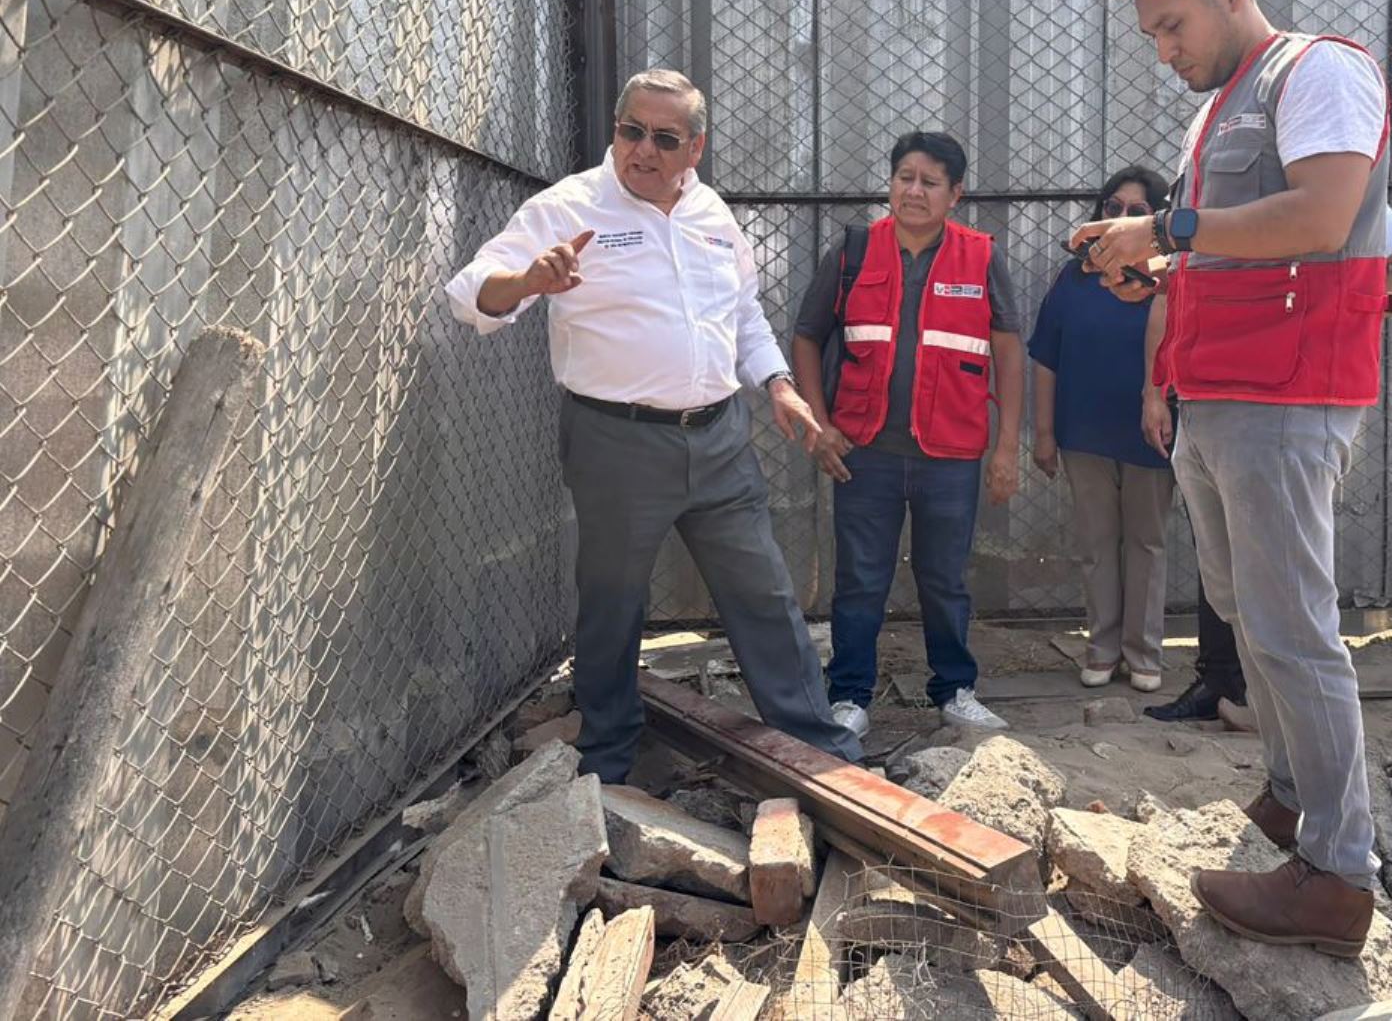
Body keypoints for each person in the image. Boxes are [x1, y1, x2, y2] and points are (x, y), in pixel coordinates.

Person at [1076, 0, 1392, 955]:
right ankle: (1296, 798)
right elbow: (1239, 246)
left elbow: (1323, 217)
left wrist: (1168, 231)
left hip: (1287, 396)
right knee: (1243, 611)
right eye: (1153, 37)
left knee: (1293, 626)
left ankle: (1339, 877)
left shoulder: (1318, 71)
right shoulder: (1218, 112)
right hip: (1220, 392)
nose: (1164, 51)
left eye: (1172, 27)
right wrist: (1160, 269)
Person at [444, 69, 860, 781]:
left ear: (694, 148)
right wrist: (527, 283)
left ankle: (816, 746)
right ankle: (609, 755)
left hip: (720, 438)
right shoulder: (569, 207)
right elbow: (468, 295)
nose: (643, 149)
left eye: (664, 138)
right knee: (614, 599)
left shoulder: (712, 215)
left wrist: (780, 388)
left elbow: (743, 315)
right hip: (618, 442)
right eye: (631, 130)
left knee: (762, 590)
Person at [1143, 208, 1392, 725]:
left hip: (1283, 408)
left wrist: (1334, 323)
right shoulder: (1219, 201)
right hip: (1211, 400)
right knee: (1232, 586)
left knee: (1288, 601)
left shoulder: (1334, 191)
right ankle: (1242, 698)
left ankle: (1314, 771)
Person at [791, 132, 1024, 738]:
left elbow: (1007, 350)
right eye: (904, 177)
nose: (913, 190)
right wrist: (818, 423)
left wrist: (1007, 448)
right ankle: (850, 696)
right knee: (860, 579)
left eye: (929, 181)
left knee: (945, 578)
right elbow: (808, 337)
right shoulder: (853, 251)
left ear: (956, 194)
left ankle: (954, 690)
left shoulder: (980, 257)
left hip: (950, 454)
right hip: (864, 453)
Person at [1029, 165, 1176, 695]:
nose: (1120, 219)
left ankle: (1144, 654)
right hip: (1083, 431)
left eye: (1137, 212)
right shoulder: (1074, 277)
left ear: (1157, 218)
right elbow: (1045, 355)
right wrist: (1043, 433)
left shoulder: (1169, 276)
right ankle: (1102, 649)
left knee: (1147, 542)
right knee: (1096, 543)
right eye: (1112, 208)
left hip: (1148, 431)